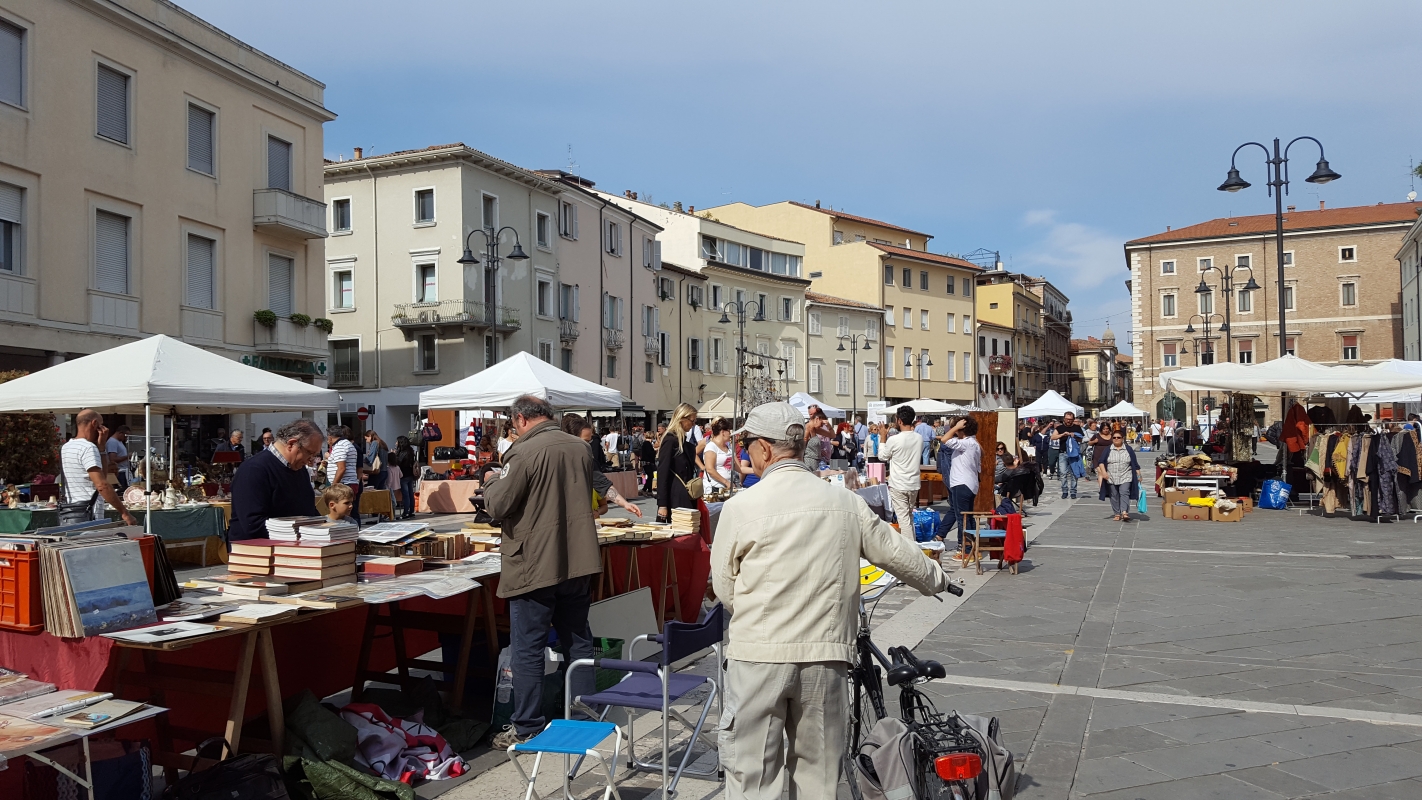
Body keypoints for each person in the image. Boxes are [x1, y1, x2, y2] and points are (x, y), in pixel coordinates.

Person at [711, 402, 951, 799]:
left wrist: (760, 611)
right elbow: (897, 552)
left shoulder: (741, 507)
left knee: (752, 777)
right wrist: (938, 579)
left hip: (759, 656)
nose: (745, 452)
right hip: (825, 656)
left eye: (747, 444)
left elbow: (724, 587)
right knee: (819, 778)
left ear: (765, 448)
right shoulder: (845, 503)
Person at [483, 395, 601, 751]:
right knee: (578, 640)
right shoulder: (579, 448)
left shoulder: (523, 452)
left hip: (534, 562)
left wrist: (490, 481)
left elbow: (498, 505)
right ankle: (584, 716)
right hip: (576, 559)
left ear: (520, 419)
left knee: (528, 647)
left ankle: (527, 726)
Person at [228, 419, 323, 541]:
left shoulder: (299, 468)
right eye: (310, 453)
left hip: (294, 545)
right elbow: (253, 524)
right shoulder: (253, 470)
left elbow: (308, 510)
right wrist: (301, 532)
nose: (311, 460)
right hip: (259, 549)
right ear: (291, 444)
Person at [60, 410, 137, 526]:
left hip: (71, 510)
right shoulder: (88, 448)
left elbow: (103, 475)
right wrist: (124, 513)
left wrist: (101, 449)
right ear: (94, 423)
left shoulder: (66, 447)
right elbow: (102, 485)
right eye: (101, 425)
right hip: (90, 511)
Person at [561, 414, 643, 517]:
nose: (588, 445)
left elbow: (603, 485)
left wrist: (625, 504)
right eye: (585, 441)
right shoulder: (556, 458)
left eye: (590, 441)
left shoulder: (588, 461)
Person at [938, 417, 983, 559]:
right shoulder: (974, 443)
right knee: (967, 517)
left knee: (962, 518)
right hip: (968, 483)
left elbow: (944, 439)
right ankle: (972, 548)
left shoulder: (966, 443)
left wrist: (956, 427)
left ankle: (967, 550)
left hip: (962, 483)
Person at [880, 406, 924, 536]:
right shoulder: (919, 438)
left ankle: (909, 546)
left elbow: (882, 456)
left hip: (899, 484)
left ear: (899, 421)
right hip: (913, 483)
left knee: (904, 519)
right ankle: (912, 543)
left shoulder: (894, 439)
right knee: (908, 516)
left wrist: (883, 437)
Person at [656, 403, 701, 523]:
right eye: (692, 420)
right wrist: (662, 504)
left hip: (684, 495)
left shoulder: (683, 441)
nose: (693, 424)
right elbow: (662, 472)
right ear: (682, 418)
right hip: (674, 496)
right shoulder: (670, 440)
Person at [1095, 428, 1142, 522]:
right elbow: (1101, 462)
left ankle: (1124, 512)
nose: (1116, 439)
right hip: (1111, 476)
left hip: (1126, 475)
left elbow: (1135, 464)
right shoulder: (1108, 449)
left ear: (1122, 438)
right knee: (1114, 495)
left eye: (1118, 437)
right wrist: (1104, 473)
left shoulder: (1128, 449)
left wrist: (1139, 475)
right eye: (1114, 437)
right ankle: (1117, 513)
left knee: (1124, 492)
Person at [327, 426, 362, 524]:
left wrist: (334, 485)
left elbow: (341, 468)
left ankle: (351, 531)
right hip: (348, 482)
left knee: (346, 513)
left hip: (344, 483)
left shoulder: (340, 446)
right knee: (350, 512)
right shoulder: (347, 444)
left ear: (330, 437)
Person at [1051, 411, 1085, 500]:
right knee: (1063, 473)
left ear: (1073, 420)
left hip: (1074, 454)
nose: (1068, 421)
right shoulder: (1060, 428)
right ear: (1064, 419)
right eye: (1067, 419)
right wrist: (1062, 434)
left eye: (1070, 419)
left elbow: (1081, 439)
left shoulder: (1077, 427)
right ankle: (1064, 491)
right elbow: (1053, 437)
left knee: (1074, 473)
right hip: (1063, 453)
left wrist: (1074, 436)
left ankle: (1073, 491)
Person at [702, 419, 735, 491]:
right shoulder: (711, 446)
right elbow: (710, 469)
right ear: (723, 432)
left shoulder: (728, 447)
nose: (730, 434)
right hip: (715, 487)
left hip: (727, 486)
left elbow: (738, 468)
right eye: (729, 431)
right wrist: (726, 482)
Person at [394, 435, 418, 519]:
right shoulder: (410, 451)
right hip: (410, 474)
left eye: (397, 442)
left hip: (403, 475)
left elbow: (398, 462)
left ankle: (406, 512)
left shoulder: (403, 452)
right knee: (410, 493)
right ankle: (411, 511)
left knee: (406, 494)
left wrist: (394, 455)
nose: (396, 443)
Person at [105, 425, 132, 491]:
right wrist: (127, 456)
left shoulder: (119, 442)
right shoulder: (112, 442)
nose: (126, 438)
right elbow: (112, 459)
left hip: (124, 471)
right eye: (125, 436)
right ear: (120, 433)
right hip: (119, 472)